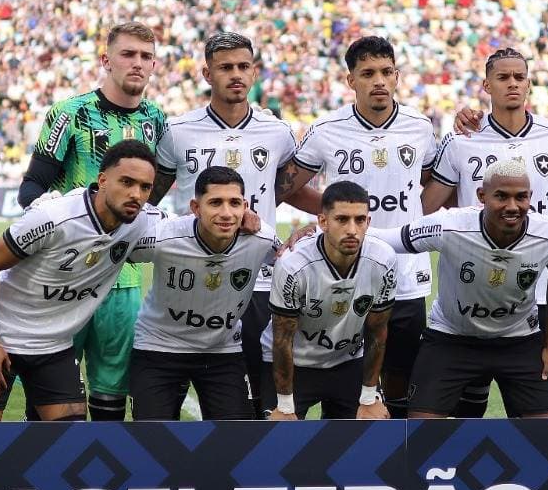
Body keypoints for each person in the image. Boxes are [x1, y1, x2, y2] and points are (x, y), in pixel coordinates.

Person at [152, 31, 316, 416]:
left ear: (255, 72)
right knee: (207, 392)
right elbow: (150, 199)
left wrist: (335, 213)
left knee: (259, 398)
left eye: (243, 66)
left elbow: (286, 189)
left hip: (259, 278)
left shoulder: (276, 131)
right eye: (225, 67)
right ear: (207, 74)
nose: (236, 74)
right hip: (198, 276)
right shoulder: (178, 131)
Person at [277, 35, 438, 419]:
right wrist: (336, 215)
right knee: (345, 375)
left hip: (406, 273)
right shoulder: (327, 130)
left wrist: (413, 226)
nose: (378, 81)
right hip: (344, 275)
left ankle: (396, 454)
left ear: (397, 76)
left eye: (386, 72)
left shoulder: (420, 127)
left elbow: (436, 186)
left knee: (399, 375)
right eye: (367, 73)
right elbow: (286, 188)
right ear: (351, 81)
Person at [18, 21, 167, 422]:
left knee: (111, 398)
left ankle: (106, 480)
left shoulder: (158, 120)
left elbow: (160, 192)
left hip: (124, 280)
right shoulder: (70, 114)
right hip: (65, 281)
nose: (137, 63)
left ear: (154, 65)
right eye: (128, 54)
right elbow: (31, 188)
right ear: (106, 59)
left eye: (146, 56)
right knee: (52, 399)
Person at [423, 47, 548, 417]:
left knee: (537, 416)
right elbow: (426, 208)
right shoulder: (461, 141)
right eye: (503, 77)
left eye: (519, 77)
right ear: (486, 85)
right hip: (473, 291)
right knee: (463, 413)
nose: (512, 84)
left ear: (529, 85)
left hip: (535, 289)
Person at [0, 141, 159, 422]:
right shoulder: (54, 217)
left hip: (53, 344)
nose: (135, 194)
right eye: (126, 182)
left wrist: (242, 220)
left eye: (144, 187)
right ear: (102, 180)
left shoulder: (142, 221)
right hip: (2, 333)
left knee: (70, 439)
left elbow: (190, 228)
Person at [370, 161, 548, 419]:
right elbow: (388, 238)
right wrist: (322, 228)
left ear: (530, 197)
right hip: (452, 338)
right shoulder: (448, 226)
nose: (512, 206)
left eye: (521, 197)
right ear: (482, 196)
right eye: (501, 196)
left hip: (519, 340)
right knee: (422, 431)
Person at [127, 166, 282, 420]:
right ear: (195, 208)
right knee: (150, 439)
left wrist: (301, 237)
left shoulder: (261, 238)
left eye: (234, 203)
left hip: (222, 350)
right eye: (215, 203)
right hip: (159, 347)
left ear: (245, 206)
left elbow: (293, 259)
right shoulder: (163, 238)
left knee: (236, 442)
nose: (226, 213)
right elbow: (118, 248)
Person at [265, 180, 398, 421]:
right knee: (277, 439)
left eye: (360, 220)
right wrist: (285, 405)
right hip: (295, 362)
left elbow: (377, 331)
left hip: (347, 361)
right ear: (323, 222)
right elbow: (282, 339)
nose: (352, 229)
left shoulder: (383, 259)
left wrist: (369, 398)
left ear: (368, 222)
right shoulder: (294, 264)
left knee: (372, 432)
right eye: (342, 219)